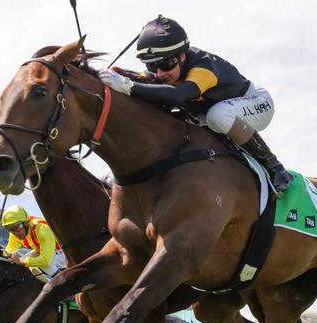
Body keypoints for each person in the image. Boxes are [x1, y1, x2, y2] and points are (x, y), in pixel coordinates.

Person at [98, 15, 293, 196]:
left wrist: (127, 86)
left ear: (182, 56)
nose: (159, 73)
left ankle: (275, 167)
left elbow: (179, 96)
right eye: (151, 65)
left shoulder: (203, 67)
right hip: (210, 110)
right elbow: (152, 81)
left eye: (165, 64)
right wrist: (129, 75)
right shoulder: (168, 69)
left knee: (218, 115)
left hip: (257, 103)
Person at [1, 205, 65, 282]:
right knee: (18, 253)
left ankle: (64, 282)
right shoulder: (15, 232)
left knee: (34, 261)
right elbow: (9, 251)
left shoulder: (41, 228)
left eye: (17, 228)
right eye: (9, 229)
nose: (15, 233)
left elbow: (45, 260)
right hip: (44, 253)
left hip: (64, 252)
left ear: (26, 223)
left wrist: (22, 262)